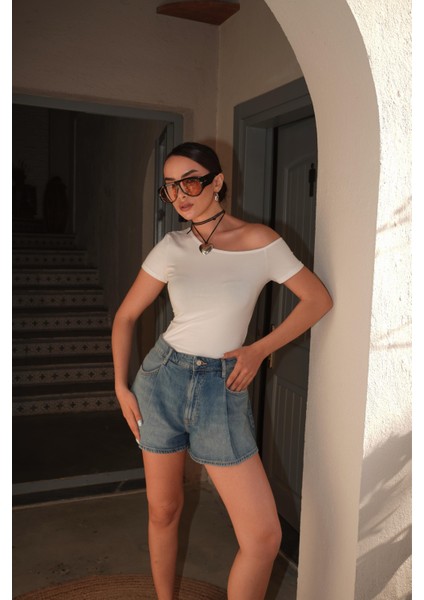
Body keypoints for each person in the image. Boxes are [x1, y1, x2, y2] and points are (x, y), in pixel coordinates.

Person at [112, 142, 333, 600]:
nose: (180, 195)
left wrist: (258, 350)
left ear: (217, 182)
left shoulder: (260, 241)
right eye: (170, 187)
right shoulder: (171, 246)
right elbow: (126, 316)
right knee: (163, 510)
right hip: (162, 380)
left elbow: (317, 300)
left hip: (221, 387)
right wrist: (120, 386)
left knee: (263, 538)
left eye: (190, 182)